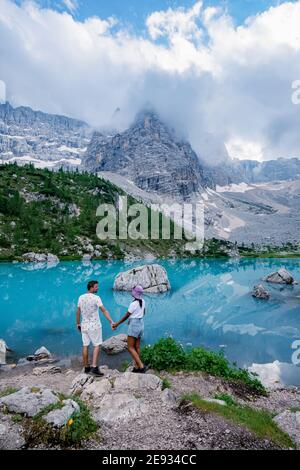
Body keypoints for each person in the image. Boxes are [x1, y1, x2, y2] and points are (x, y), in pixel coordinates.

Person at [76, 280, 114, 377]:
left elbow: (78, 311)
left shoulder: (81, 297)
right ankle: (94, 367)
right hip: (95, 326)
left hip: (84, 325)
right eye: (96, 287)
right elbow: (104, 310)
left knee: (85, 345)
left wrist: (78, 323)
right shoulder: (96, 298)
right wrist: (111, 321)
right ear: (91, 287)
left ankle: (86, 367)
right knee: (97, 345)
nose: (98, 288)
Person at [112, 285, 147, 373]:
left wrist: (117, 324)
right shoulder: (143, 301)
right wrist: (134, 318)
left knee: (130, 347)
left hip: (134, 325)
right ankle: (137, 367)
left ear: (134, 293)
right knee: (137, 346)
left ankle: (141, 366)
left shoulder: (133, 304)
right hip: (141, 324)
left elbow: (126, 316)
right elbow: (143, 312)